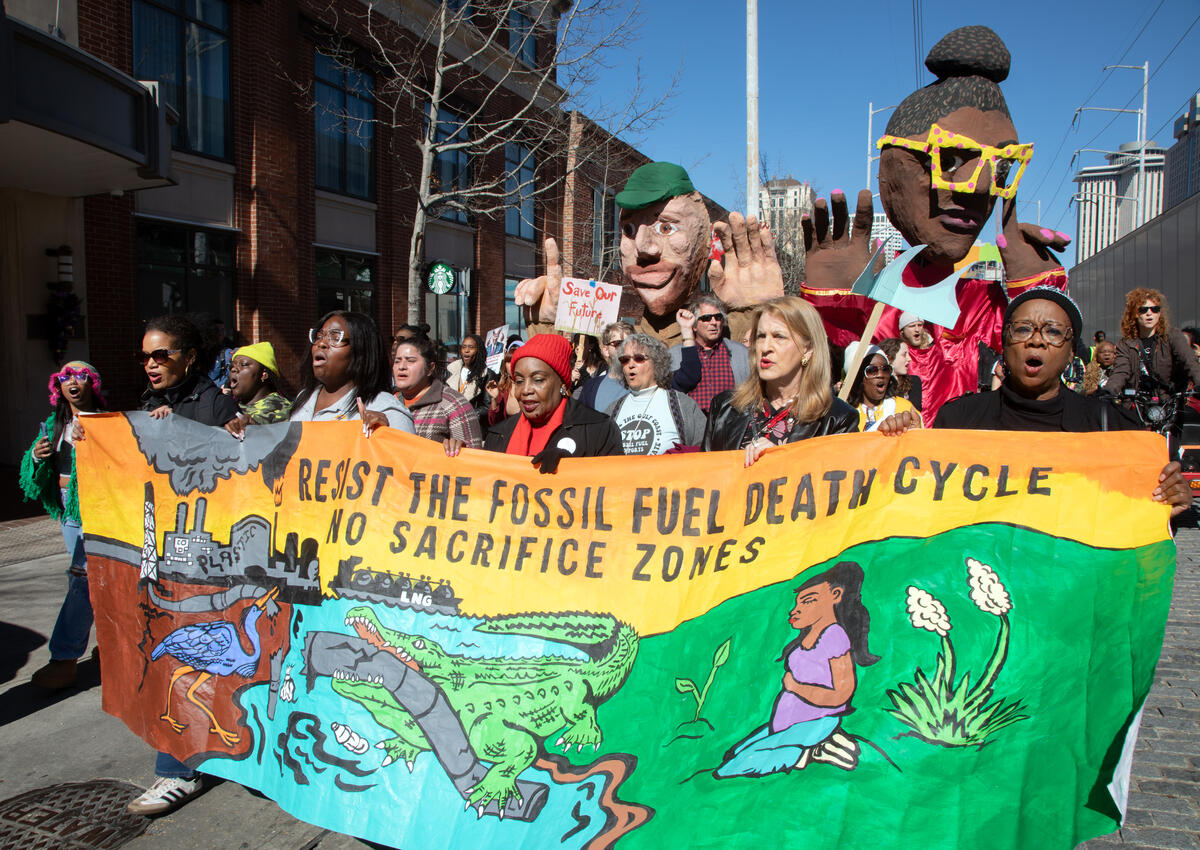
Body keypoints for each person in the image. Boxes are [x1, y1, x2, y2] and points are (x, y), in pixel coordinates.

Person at [800, 26, 1070, 424]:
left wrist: (1038, 294)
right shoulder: (875, 303)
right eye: (953, 159)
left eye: (1001, 166)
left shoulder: (985, 307)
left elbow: (1041, 393)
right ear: (895, 169)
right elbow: (812, 390)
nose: (979, 187)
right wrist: (830, 308)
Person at [877, 287, 1191, 517]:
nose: (1036, 339)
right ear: (1004, 342)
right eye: (1023, 328)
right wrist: (903, 446)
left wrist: (1167, 494)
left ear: (1071, 352)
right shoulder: (958, 420)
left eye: (1053, 331)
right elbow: (922, 512)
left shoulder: (1111, 428)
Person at [126, 313, 241, 815]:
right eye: (145, 356)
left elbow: (230, 474)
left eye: (162, 355)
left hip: (205, 557)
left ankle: (178, 770)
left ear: (189, 357)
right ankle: (187, 760)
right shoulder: (148, 406)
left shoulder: (217, 405)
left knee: (193, 660)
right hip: (158, 554)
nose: (151, 365)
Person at [515, 161, 780, 347]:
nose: (644, 247)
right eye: (629, 229)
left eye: (666, 227)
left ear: (703, 245)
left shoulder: (724, 343)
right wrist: (547, 331)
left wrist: (753, 315)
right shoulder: (619, 351)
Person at [715, 562, 879, 777]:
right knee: (733, 754)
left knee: (735, 767)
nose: (796, 610)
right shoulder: (806, 637)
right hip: (786, 724)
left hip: (814, 724)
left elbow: (842, 694)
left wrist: (795, 687)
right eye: (797, 603)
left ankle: (815, 752)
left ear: (836, 595)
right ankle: (813, 748)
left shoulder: (834, 636)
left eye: (808, 601)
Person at [21, 362, 108, 690]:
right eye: (65, 378)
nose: (73, 382)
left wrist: (95, 442)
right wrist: (37, 456)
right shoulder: (51, 424)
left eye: (81, 377)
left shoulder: (108, 421)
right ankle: (107, 646)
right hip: (70, 510)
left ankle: (65, 658)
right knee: (90, 580)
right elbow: (33, 470)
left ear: (92, 385)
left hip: (101, 507)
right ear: (58, 386)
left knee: (84, 580)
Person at [702, 297, 858, 466]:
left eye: (779, 337)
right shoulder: (725, 406)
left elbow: (839, 485)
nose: (765, 347)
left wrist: (784, 461)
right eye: (761, 336)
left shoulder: (838, 419)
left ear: (808, 349)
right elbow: (705, 479)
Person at [483, 333, 622, 468]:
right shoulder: (497, 436)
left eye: (538, 380)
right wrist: (462, 457)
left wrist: (573, 469)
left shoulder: (599, 431)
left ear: (561, 382)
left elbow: (615, 485)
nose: (525, 390)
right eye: (519, 381)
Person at [289, 311, 414, 433]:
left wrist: (385, 435)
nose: (321, 344)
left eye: (335, 338)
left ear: (362, 351)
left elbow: (406, 453)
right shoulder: (304, 398)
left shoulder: (385, 410)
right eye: (318, 337)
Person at [606, 334, 705, 455]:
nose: (630, 365)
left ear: (656, 362)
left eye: (638, 358)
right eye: (625, 360)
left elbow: (705, 450)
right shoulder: (612, 410)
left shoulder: (683, 405)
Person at [1106, 289, 1200, 403]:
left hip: (1168, 403)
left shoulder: (1172, 336)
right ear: (1135, 314)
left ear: (1159, 313)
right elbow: (1120, 372)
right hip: (1137, 404)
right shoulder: (1126, 343)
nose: (1149, 313)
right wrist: (1109, 391)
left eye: (1154, 309)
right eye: (1143, 310)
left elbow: (1189, 361)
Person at [393, 334, 482, 454]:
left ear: (430, 368)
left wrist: (460, 450)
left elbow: (474, 461)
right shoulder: (386, 403)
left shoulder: (454, 404)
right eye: (397, 361)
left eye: (410, 361)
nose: (401, 367)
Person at [670, 294, 752, 413]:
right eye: (707, 318)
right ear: (694, 326)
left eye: (718, 317)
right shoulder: (675, 355)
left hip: (729, 425)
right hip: (693, 426)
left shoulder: (740, 353)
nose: (714, 322)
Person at [845, 342, 921, 432]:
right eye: (872, 370)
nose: (881, 375)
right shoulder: (844, 414)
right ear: (857, 377)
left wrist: (915, 433)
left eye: (885, 369)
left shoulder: (904, 407)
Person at [224, 342, 290, 437]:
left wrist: (252, 424)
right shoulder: (231, 404)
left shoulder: (279, 406)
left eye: (244, 364)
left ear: (264, 374)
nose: (234, 369)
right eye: (232, 366)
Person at [575, 321, 634, 412]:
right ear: (606, 351)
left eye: (630, 343)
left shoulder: (644, 386)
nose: (625, 348)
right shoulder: (591, 387)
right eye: (618, 343)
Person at [878, 337, 922, 410]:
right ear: (889, 358)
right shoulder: (877, 383)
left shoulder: (914, 382)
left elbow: (915, 410)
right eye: (904, 355)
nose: (909, 359)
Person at [446, 333, 489, 406]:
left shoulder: (487, 374)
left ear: (479, 350)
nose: (466, 350)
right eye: (464, 347)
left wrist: (467, 415)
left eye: (471, 347)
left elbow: (487, 407)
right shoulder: (451, 371)